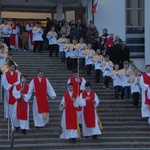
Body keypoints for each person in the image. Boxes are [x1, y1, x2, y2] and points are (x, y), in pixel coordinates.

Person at [1, 61, 20, 128]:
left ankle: (14, 115)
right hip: (8, 90)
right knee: (8, 103)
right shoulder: (5, 74)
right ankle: (8, 115)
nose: (12, 68)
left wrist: (14, 84)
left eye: (13, 67)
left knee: (15, 103)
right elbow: (3, 81)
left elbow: (19, 81)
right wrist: (9, 86)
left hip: (14, 91)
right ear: (9, 67)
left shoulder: (17, 74)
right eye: (11, 66)